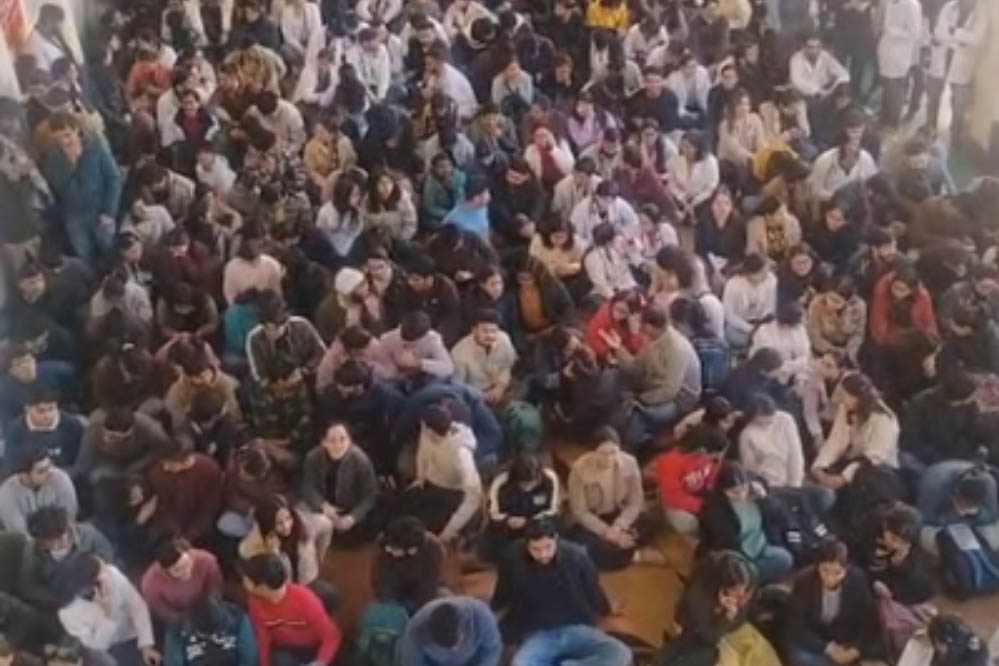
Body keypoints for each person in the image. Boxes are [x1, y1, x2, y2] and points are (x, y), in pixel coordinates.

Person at [491, 518, 631, 666]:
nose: (543, 554)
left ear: (556, 539)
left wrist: (607, 609)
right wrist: (493, 614)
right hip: (538, 632)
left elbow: (593, 589)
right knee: (520, 663)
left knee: (621, 654)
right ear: (526, 544)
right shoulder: (512, 558)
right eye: (535, 549)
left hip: (576, 627)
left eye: (548, 547)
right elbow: (503, 592)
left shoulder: (577, 556)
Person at [659, 550, 779, 666]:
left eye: (745, 590)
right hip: (700, 634)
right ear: (722, 587)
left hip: (728, 630)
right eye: (736, 590)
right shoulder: (698, 598)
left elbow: (743, 615)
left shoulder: (747, 582)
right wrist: (727, 616)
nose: (742, 594)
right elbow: (708, 637)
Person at [567, 427, 660, 569]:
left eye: (613, 452)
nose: (609, 458)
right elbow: (580, 512)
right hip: (595, 519)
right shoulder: (579, 471)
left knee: (651, 522)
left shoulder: (630, 463)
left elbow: (635, 501)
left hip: (620, 514)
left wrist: (619, 526)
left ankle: (620, 548)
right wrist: (607, 532)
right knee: (581, 549)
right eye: (603, 453)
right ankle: (635, 555)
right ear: (592, 452)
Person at [41, 113, 122, 267]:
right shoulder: (53, 157)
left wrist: (109, 212)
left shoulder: (96, 146)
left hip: (101, 212)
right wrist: (71, 165)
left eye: (67, 135)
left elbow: (113, 179)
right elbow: (58, 190)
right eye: (58, 138)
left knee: (111, 253)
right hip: (75, 218)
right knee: (86, 259)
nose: (65, 141)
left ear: (76, 130)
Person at [784, 539, 880, 666]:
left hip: (844, 636)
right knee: (799, 655)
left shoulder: (857, 579)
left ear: (846, 570)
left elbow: (868, 620)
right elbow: (796, 626)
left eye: (837, 572)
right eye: (825, 570)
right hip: (816, 638)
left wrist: (856, 650)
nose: (830, 578)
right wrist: (827, 648)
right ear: (817, 566)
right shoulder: (804, 582)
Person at [397, 405, 483, 544]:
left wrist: (447, 532)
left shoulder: (462, 454)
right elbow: (422, 453)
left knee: (430, 532)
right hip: (431, 484)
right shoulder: (427, 433)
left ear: (430, 431)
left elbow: (474, 497)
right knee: (403, 514)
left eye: (423, 427)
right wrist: (420, 477)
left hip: (454, 493)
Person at [700, 462, 794, 583]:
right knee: (736, 573)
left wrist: (764, 498)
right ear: (723, 491)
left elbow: (778, 515)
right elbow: (726, 545)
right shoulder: (716, 509)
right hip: (737, 556)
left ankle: (748, 580)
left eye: (743, 489)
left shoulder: (754, 494)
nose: (740, 495)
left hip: (761, 547)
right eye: (734, 492)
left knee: (785, 558)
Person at [58, 555, 161, 666]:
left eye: (104, 566)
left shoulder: (112, 573)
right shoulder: (68, 613)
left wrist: (146, 646)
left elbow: (137, 607)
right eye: (103, 571)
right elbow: (98, 644)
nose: (108, 571)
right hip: (113, 647)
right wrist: (106, 613)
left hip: (135, 630)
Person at [242, 554, 342, 666]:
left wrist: (319, 663)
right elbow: (262, 639)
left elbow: (331, 636)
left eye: (247, 579)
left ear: (262, 586)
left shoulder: (306, 600)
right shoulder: (255, 603)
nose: (243, 582)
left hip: (314, 649)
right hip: (286, 651)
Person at [299, 422, 379, 553]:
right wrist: (323, 506)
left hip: (349, 509)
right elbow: (308, 486)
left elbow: (370, 495)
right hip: (321, 508)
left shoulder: (361, 460)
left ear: (350, 441)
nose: (338, 445)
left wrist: (353, 517)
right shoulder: (313, 457)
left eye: (343, 439)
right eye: (332, 440)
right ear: (324, 442)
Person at [812, 373, 900, 491]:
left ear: (859, 397)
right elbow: (836, 440)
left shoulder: (883, 418)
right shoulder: (846, 409)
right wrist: (820, 466)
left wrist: (844, 478)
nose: (842, 399)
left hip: (876, 470)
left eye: (846, 395)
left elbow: (875, 456)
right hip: (852, 462)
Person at [146, 438, 224, 546]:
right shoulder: (158, 473)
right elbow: (160, 506)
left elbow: (209, 507)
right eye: (162, 463)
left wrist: (190, 535)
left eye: (169, 464)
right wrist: (173, 531)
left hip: (198, 528)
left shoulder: (209, 469)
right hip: (168, 528)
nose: (165, 468)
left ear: (184, 461)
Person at [484, 453, 559, 560]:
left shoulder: (550, 478)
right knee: (492, 549)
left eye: (532, 483)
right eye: (523, 484)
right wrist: (507, 520)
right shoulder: (501, 482)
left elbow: (553, 510)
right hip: (507, 526)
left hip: (538, 524)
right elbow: (493, 512)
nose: (528, 488)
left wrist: (530, 522)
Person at [370, 516, 447, 614]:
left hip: (425, 589)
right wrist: (388, 601)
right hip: (395, 591)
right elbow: (379, 580)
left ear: (412, 550)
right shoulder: (383, 543)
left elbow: (429, 585)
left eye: (394, 548)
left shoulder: (434, 549)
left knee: (443, 599)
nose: (388, 550)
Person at [240, 495, 322, 585]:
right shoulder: (256, 544)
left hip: (305, 580)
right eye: (279, 523)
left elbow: (326, 524)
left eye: (288, 518)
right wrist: (274, 554)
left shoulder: (301, 525)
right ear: (269, 524)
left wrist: (319, 556)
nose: (286, 526)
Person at [398, 597, 503, 666]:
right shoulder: (415, 631)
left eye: (458, 642)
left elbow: (492, 649)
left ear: (462, 625)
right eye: (445, 647)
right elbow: (411, 663)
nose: (455, 649)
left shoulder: (480, 615)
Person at [140, 539, 224, 626]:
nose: (186, 572)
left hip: (209, 605)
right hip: (181, 618)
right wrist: (182, 620)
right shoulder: (150, 583)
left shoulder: (207, 560)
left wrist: (213, 603)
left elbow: (215, 586)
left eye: (187, 564)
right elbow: (162, 611)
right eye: (177, 570)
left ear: (190, 553)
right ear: (164, 570)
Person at [4, 386, 85, 472]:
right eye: (41, 411)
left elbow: (80, 465)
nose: (48, 415)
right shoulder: (15, 430)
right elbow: (12, 467)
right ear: (28, 409)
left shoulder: (72, 425)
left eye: (51, 409)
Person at [0, 448, 78, 534]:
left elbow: (68, 517)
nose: (50, 472)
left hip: (60, 535)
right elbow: (18, 531)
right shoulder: (7, 493)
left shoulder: (60, 478)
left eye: (50, 466)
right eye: (41, 471)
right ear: (24, 475)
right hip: (28, 540)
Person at [163, 597, 258, 666]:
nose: (211, 637)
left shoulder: (238, 618)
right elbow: (174, 663)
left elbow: (248, 659)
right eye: (205, 635)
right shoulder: (177, 629)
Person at [450, 309, 518, 406]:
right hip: (474, 396)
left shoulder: (504, 339)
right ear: (474, 330)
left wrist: (500, 387)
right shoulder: (459, 352)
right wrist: (482, 396)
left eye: (494, 331)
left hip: (501, 387)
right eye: (485, 331)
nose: (490, 335)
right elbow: (458, 385)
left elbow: (507, 366)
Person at [722, 254, 777, 349]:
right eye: (762, 272)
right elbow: (729, 314)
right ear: (750, 273)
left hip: (762, 323)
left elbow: (771, 307)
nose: (766, 274)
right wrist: (749, 329)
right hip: (741, 325)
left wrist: (760, 327)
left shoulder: (771, 280)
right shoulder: (733, 284)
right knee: (732, 335)